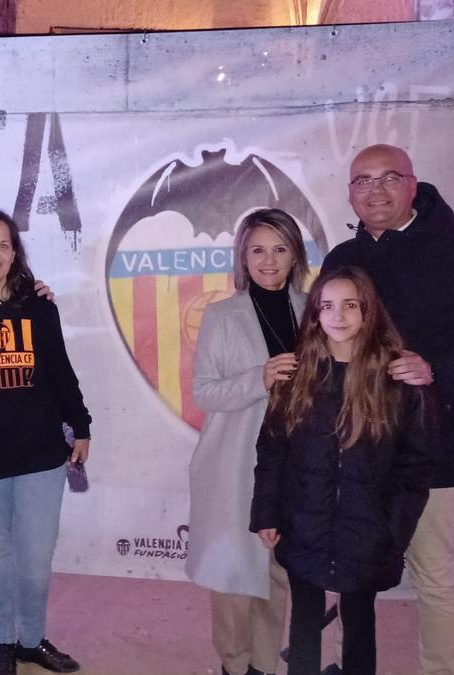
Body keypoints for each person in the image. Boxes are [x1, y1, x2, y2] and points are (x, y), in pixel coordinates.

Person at [321, 143, 454, 674]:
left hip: (431, 448)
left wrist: (434, 366)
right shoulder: (341, 261)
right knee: (354, 568)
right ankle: (350, 665)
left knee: (435, 575)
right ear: (350, 193)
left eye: (389, 177)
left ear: (413, 184)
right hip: (357, 448)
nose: (376, 190)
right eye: (362, 181)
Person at [251, 266, 434, 675]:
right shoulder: (295, 377)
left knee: (359, 622)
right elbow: (273, 450)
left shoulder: (396, 379)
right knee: (304, 622)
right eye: (327, 306)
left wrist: (394, 528)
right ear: (314, 315)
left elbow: (415, 465)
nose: (338, 316)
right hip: (303, 523)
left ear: (369, 311)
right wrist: (266, 513)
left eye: (350, 305)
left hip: (367, 527)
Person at [0, 210, 92, 675]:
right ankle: (4, 642)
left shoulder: (38, 306)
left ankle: (32, 640)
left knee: (34, 560)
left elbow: (60, 373)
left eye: (3, 244)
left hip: (39, 454)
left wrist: (81, 424)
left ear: (15, 252)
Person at [185, 208, 309, 675]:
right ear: (243, 256)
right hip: (235, 463)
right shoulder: (221, 315)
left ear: (295, 253)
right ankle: (233, 665)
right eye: (258, 249)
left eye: (280, 248)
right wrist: (258, 378)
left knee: (278, 572)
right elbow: (204, 392)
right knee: (235, 576)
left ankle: (263, 665)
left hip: (296, 463)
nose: (270, 260)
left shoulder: (315, 309)